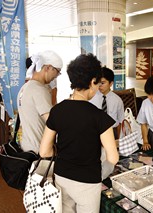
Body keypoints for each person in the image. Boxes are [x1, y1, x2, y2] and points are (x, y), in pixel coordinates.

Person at [39, 53, 119, 213]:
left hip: (61, 176)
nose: (97, 88)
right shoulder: (100, 117)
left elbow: (44, 151)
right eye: (97, 83)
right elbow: (113, 158)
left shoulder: (57, 110)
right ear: (92, 82)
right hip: (88, 182)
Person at [17, 50, 63, 154]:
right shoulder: (39, 89)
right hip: (39, 149)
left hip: (27, 145)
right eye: (57, 71)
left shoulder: (25, 87)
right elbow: (52, 122)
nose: (56, 75)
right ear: (48, 68)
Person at [89, 66, 124, 139]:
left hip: (112, 132)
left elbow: (120, 121)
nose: (100, 86)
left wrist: (119, 139)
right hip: (95, 132)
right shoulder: (91, 97)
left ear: (111, 83)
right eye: (98, 83)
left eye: (102, 83)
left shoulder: (117, 100)